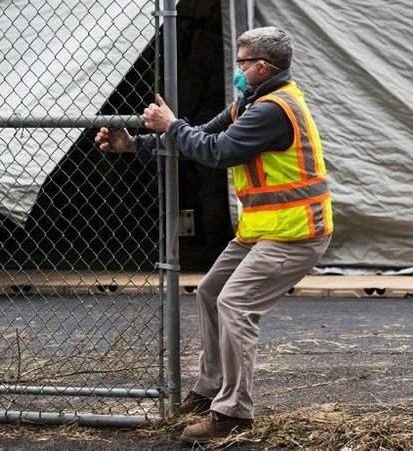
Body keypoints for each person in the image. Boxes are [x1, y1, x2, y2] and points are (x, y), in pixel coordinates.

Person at [95, 25, 332, 443]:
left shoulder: (273, 110)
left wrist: (171, 124)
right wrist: (134, 145)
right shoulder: (250, 101)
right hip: (264, 230)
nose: (236, 70)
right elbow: (201, 135)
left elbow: (217, 152)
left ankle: (234, 414)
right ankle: (210, 389)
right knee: (210, 291)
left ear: (262, 66)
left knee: (235, 304)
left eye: (241, 63)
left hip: (296, 233)